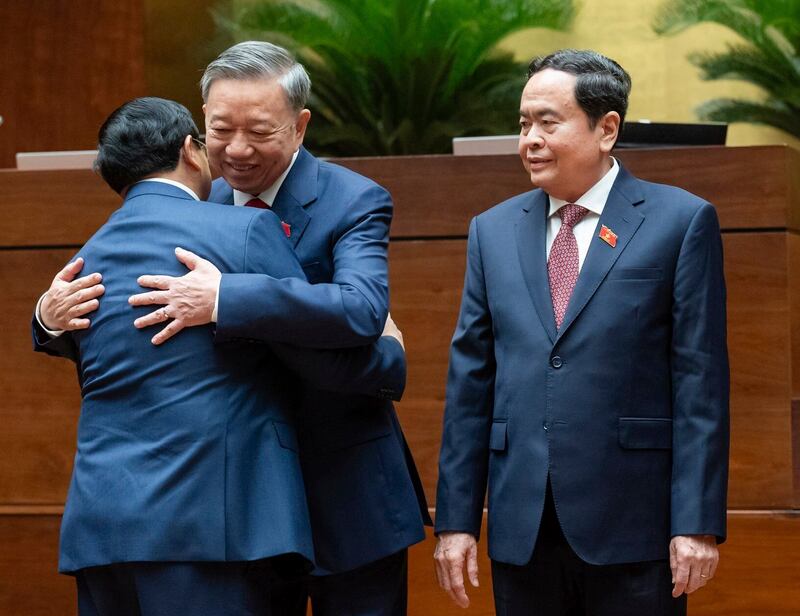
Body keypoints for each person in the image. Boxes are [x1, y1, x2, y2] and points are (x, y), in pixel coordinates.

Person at [37, 42, 429, 616]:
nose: (238, 149)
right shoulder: (193, 197)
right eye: (221, 129)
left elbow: (361, 308)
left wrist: (226, 297)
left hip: (344, 486)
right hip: (232, 502)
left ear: (299, 127)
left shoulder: (354, 200)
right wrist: (47, 319)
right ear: (197, 133)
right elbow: (123, 305)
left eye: (260, 131)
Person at [433, 49, 729, 616]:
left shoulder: (680, 221)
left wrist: (696, 522)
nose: (530, 139)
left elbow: (701, 383)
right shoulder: (491, 231)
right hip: (522, 527)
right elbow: (470, 384)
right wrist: (456, 521)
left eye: (549, 122)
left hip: (635, 527)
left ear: (607, 128)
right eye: (523, 124)